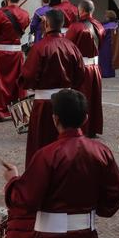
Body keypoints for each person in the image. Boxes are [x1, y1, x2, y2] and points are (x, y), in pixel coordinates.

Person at [2, 89, 119, 238]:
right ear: (86, 118)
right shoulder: (101, 152)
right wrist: (93, 207)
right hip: (85, 237)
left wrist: (13, 181)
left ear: (55, 118)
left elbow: (24, 199)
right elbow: (117, 192)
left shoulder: (46, 155)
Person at [20, 10, 86, 161]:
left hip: (44, 104)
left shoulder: (39, 47)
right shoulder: (71, 46)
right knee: (67, 143)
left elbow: (28, 76)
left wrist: (29, 85)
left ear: (46, 23)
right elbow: (81, 73)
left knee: (41, 144)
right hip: (67, 102)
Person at [0, 0, 30, 122]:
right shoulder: (25, 14)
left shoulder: (0, 14)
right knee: (16, 83)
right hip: (17, 52)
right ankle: (18, 111)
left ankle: (0, 113)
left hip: (1, 52)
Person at [65, 0, 106, 138]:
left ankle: (81, 128)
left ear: (80, 10)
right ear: (92, 10)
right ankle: (93, 128)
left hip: (81, 68)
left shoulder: (75, 27)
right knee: (94, 98)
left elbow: (68, 49)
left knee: (80, 99)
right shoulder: (99, 25)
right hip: (95, 67)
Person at [98, 10, 119, 79]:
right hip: (112, 45)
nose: (105, 17)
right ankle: (111, 73)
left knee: (104, 59)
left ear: (108, 17)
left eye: (106, 15)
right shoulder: (115, 24)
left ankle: (105, 73)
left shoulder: (107, 26)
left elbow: (102, 34)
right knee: (110, 59)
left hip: (105, 45)